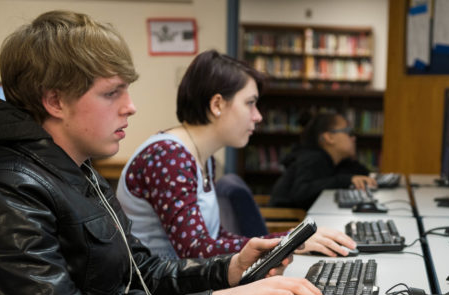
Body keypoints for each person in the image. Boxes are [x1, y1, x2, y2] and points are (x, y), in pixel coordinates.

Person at [0, 10, 325, 295]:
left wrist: (229, 270)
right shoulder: (7, 188)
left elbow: (142, 271)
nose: (131, 106)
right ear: (55, 101)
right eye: (112, 92)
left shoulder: (76, 168)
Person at [116, 50, 357, 260]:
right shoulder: (168, 156)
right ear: (217, 105)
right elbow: (196, 250)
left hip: (185, 290)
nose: (258, 116)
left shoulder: (200, 155)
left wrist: (289, 242)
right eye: (250, 103)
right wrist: (290, 241)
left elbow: (214, 237)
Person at [269, 112, 377, 210]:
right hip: (286, 222)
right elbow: (301, 193)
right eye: (348, 132)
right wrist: (345, 180)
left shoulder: (331, 160)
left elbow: (357, 174)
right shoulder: (313, 158)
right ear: (329, 137)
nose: (353, 138)